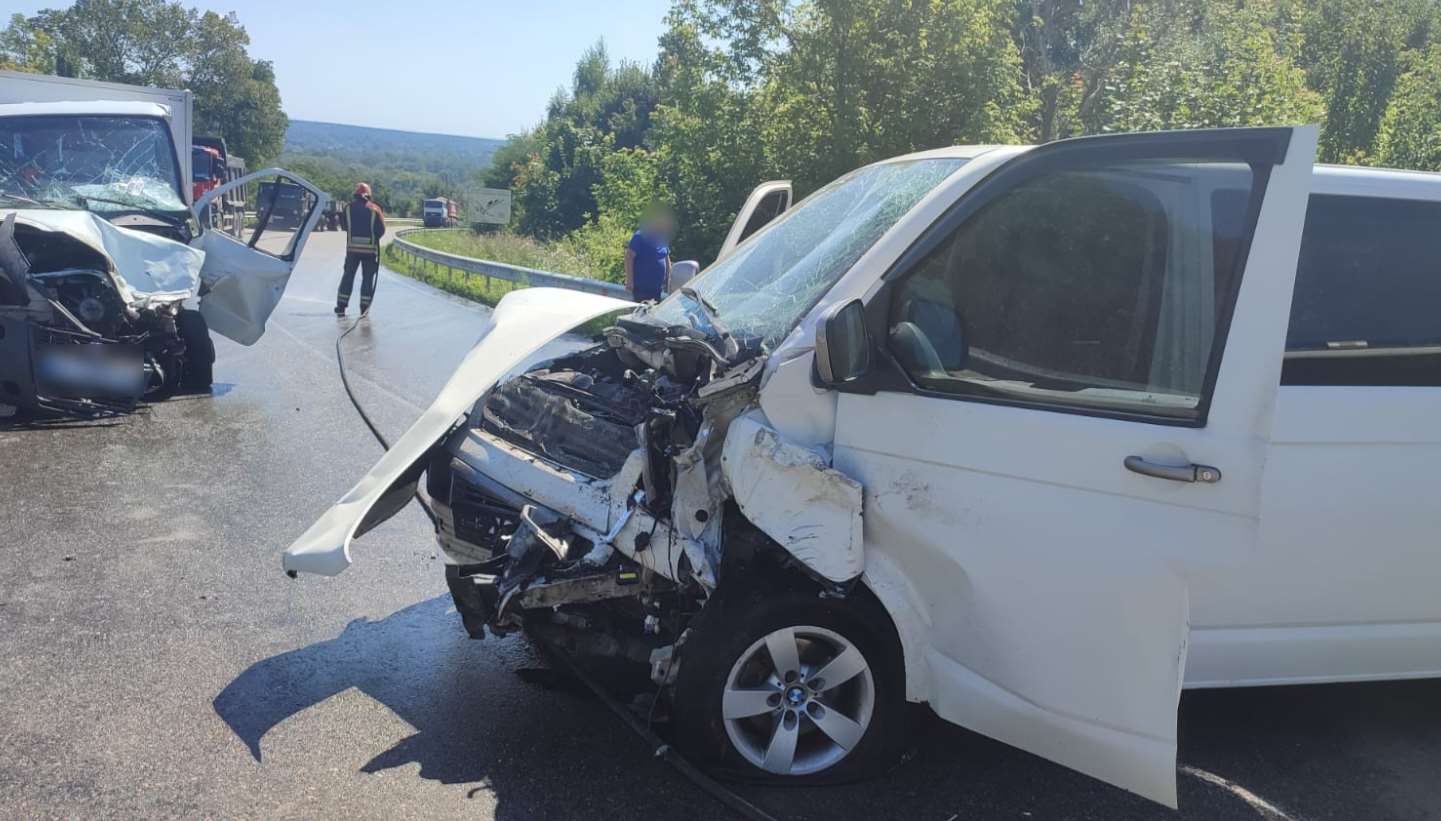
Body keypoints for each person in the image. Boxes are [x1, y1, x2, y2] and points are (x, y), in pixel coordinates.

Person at [335, 182, 386, 316]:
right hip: (370, 252)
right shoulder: (375, 209)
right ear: (368, 195)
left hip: (352, 250)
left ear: (356, 195)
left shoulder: (347, 208)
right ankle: (364, 309)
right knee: (367, 279)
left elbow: (345, 226)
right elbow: (381, 230)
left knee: (348, 277)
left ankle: (341, 306)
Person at [624, 204, 675, 302]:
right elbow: (629, 257)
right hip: (641, 290)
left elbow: (666, 257)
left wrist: (670, 279)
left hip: (657, 290)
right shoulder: (640, 236)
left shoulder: (662, 238)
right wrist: (629, 282)